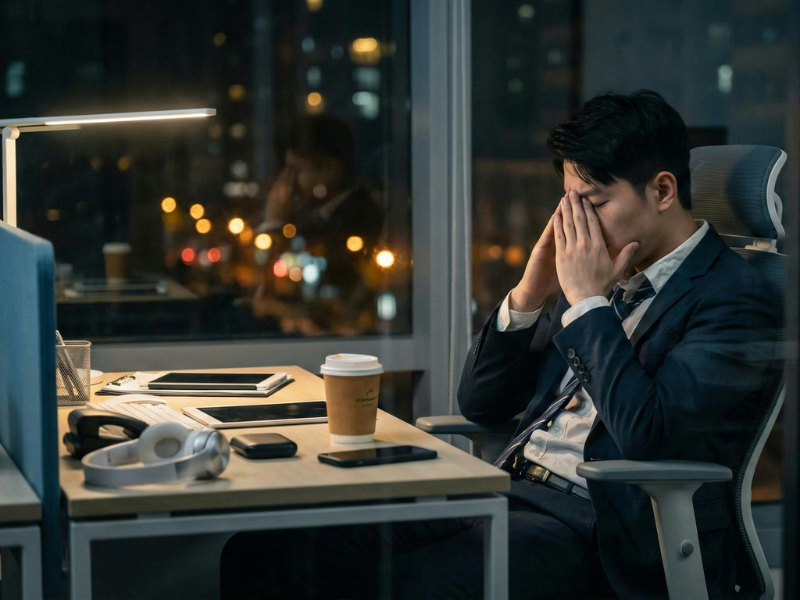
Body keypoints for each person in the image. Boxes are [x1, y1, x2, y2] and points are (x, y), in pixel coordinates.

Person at [220, 90, 777, 599]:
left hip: (600, 530)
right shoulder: (610, 270)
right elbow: (482, 404)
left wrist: (585, 303)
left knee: (410, 588)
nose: (575, 224)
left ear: (661, 190)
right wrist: (531, 291)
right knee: (268, 555)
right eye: (568, 202)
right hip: (508, 492)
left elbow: (649, 435)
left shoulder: (735, 296)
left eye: (594, 201)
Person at [252, 115, 384, 333]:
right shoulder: (313, 219)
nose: (288, 181)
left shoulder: (355, 224)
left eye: (296, 170)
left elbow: (317, 303)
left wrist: (273, 223)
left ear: (329, 170)